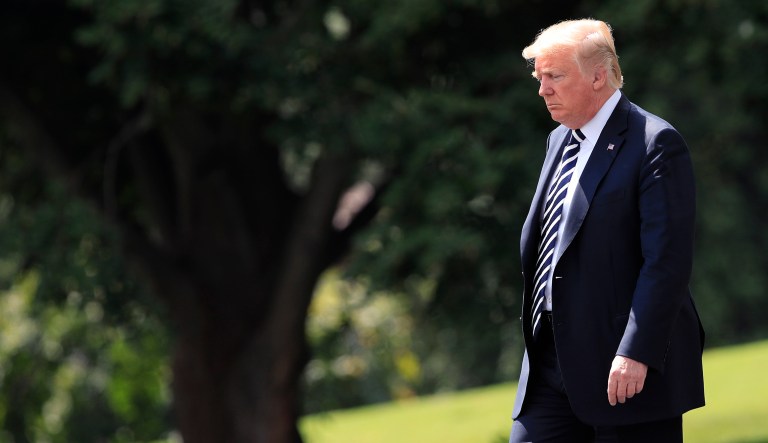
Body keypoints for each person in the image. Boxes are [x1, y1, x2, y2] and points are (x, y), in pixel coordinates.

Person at [509, 19, 705, 443]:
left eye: (554, 76)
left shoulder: (655, 143)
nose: (543, 90)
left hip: (624, 368)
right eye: (539, 78)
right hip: (550, 364)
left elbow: (666, 263)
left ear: (598, 75)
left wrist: (637, 351)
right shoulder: (558, 140)